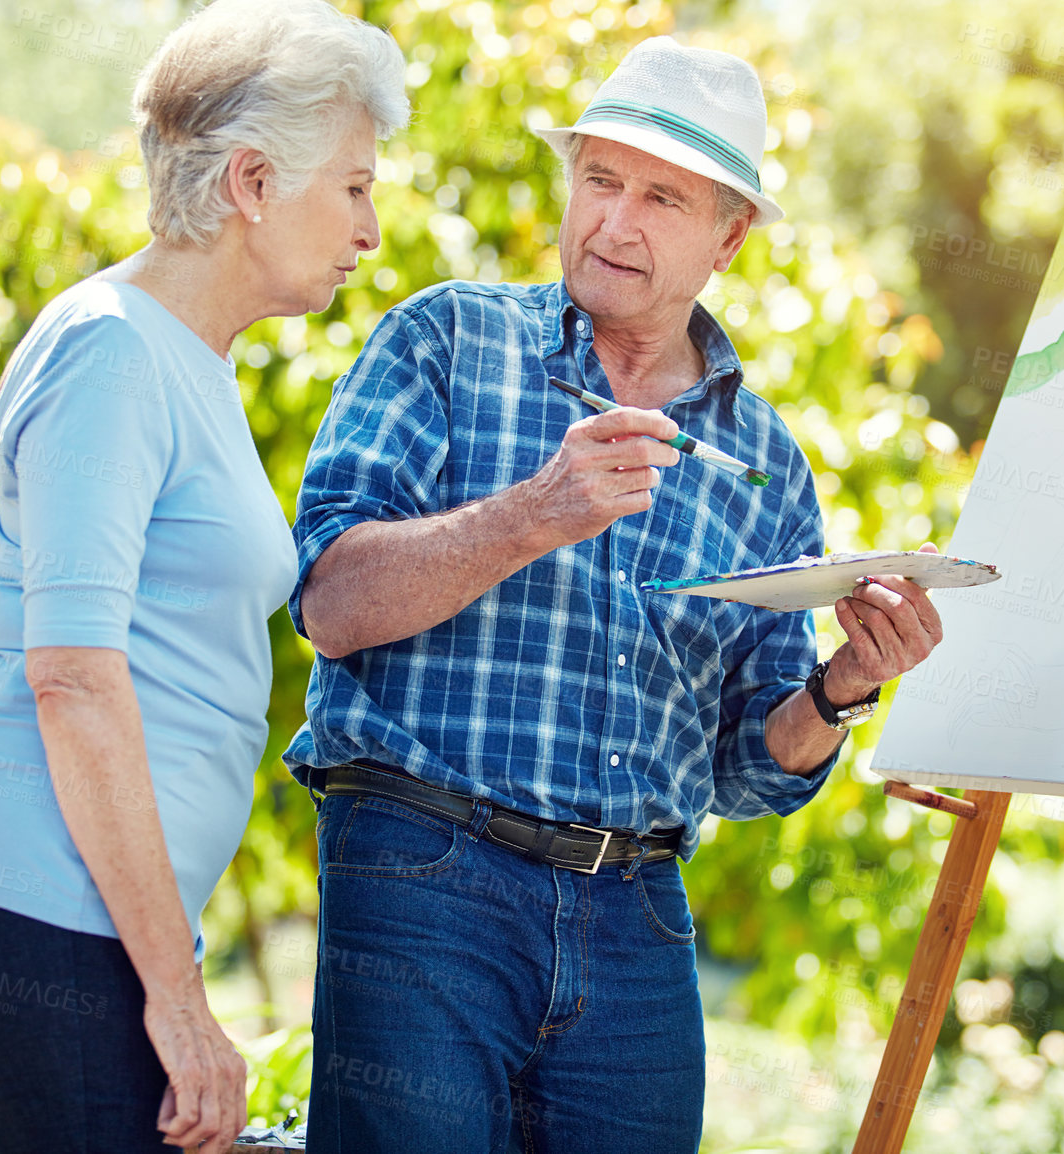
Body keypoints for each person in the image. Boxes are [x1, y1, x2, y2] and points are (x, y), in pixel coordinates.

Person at [287, 36, 944, 1154]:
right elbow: (329, 602)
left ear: (729, 233)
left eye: (660, 198)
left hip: (636, 915)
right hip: (423, 874)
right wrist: (532, 510)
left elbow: (748, 765)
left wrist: (841, 684)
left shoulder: (765, 460)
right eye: (598, 179)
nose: (611, 223)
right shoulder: (445, 338)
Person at [0, 3, 407, 1150]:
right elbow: (73, 677)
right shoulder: (112, 350)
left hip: (87, 892)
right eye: (357, 187)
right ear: (254, 181)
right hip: (34, 871)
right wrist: (175, 996)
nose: (371, 229)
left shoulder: (187, 360)